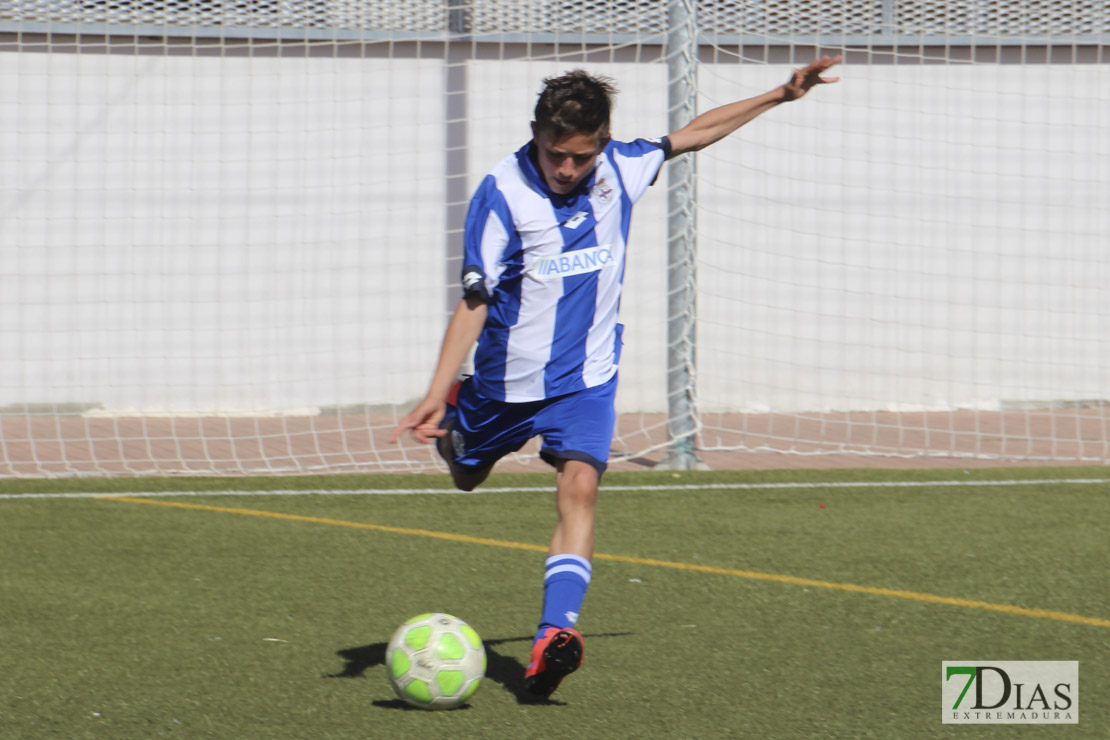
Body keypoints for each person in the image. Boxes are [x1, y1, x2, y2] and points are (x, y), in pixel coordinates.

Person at [390, 56, 841, 698]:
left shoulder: (619, 168)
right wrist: (438, 391)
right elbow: (475, 299)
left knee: (580, 490)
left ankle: (553, 638)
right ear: (536, 136)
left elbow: (691, 134)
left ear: (601, 144)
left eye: (580, 157)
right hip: (502, 387)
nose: (567, 170)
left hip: (586, 380)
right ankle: (459, 428)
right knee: (466, 476)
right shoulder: (502, 195)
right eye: (555, 155)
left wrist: (781, 95)